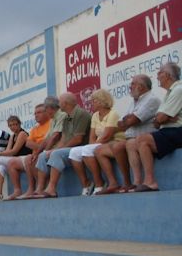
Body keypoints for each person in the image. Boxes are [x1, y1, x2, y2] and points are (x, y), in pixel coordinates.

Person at [94, 75, 160, 194]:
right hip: (131, 137)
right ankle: (114, 183)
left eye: (133, 84)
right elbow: (123, 123)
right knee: (99, 150)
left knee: (120, 145)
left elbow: (131, 121)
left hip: (144, 137)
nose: (130, 87)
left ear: (141, 86)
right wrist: (127, 120)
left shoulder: (151, 99)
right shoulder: (135, 101)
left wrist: (128, 120)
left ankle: (132, 182)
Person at [127, 62, 182, 192]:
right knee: (131, 144)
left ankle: (150, 182)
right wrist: (162, 118)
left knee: (143, 139)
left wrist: (162, 118)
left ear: (168, 75)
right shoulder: (170, 92)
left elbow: (160, 118)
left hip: (177, 130)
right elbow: (157, 121)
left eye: (160, 73)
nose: (157, 77)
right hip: (169, 130)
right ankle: (137, 182)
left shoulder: (178, 89)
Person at [33, 92, 91, 198]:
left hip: (79, 148)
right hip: (69, 149)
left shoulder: (81, 114)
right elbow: (63, 139)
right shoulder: (66, 117)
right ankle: (40, 188)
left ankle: (51, 188)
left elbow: (78, 139)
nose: (58, 104)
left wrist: (57, 150)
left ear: (65, 103)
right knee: (43, 155)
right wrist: (50, 151)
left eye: (60, 102)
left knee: (56, 154)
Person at [68, 89, 125, 195]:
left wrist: (93, 145)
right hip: (101, 143)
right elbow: (92, 138)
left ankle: (99, 183)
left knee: (87, 149)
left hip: (113, 141)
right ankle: (86, 184)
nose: (91, 103)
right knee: (74, 153)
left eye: (93, 101)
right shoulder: (95, 115)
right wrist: (93, 144)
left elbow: (107, 136)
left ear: (101, 101)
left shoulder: (113, 114)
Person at [5, 104, 51, 200]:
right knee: (11, 163)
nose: (36, 115)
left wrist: (39, 149)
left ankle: (39, 188)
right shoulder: (35, 128)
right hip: (36, 153)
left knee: (29, 158)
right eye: (35, 113)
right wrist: (40, 147)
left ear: (47, 113)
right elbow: (28, 143)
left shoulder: (51, 124)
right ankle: (22, 190)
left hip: (46, 152)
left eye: (39, 112)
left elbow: (48, 142)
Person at [0, 115, 31, 201]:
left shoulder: (22, 134)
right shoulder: (12, 136)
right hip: (15, 160)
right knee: (0, 166)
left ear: (19, 124)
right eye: (10, 125)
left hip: (25, 159)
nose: (13, 127)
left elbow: (14, 151)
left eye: (15, 124)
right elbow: (7, 151)